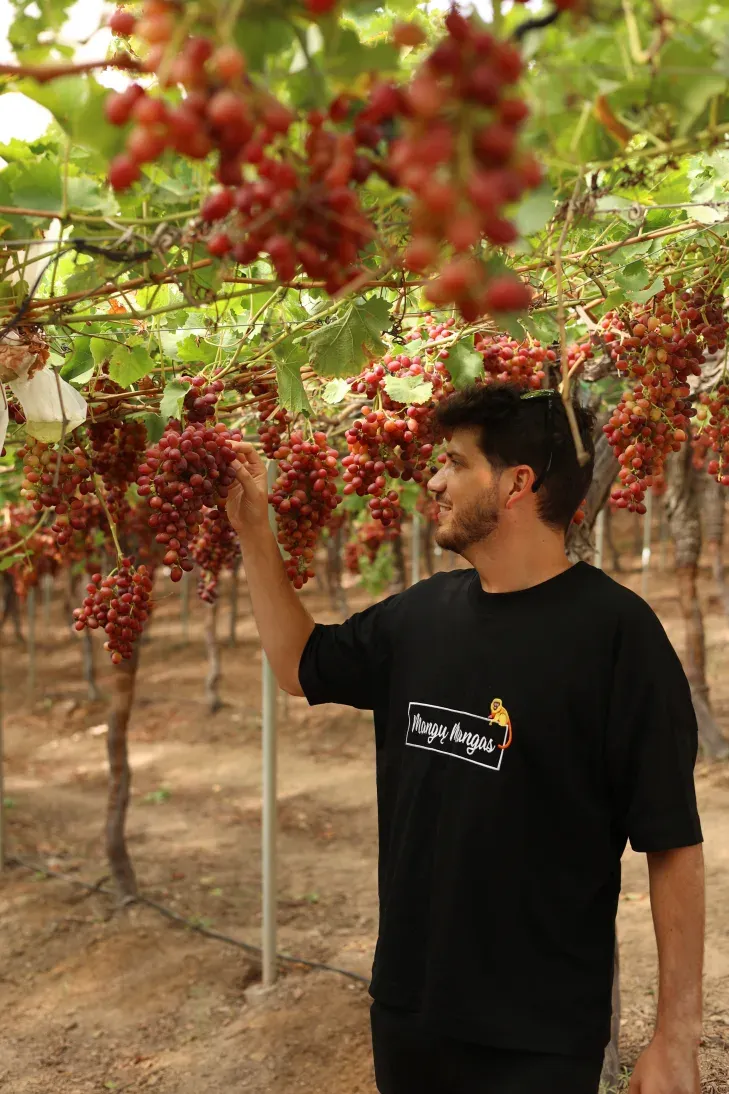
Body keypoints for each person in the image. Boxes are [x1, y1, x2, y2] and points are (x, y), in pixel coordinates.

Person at [226, 382, 704, 1094]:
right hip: (408, 1013)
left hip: (536, 1038)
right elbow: (300, 666)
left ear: (516, 484)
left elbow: (671, 846)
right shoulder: (420, 617)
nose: (434, 478)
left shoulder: (618, 638)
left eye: (454, 461)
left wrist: (675, 1039)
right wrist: (254, 533)